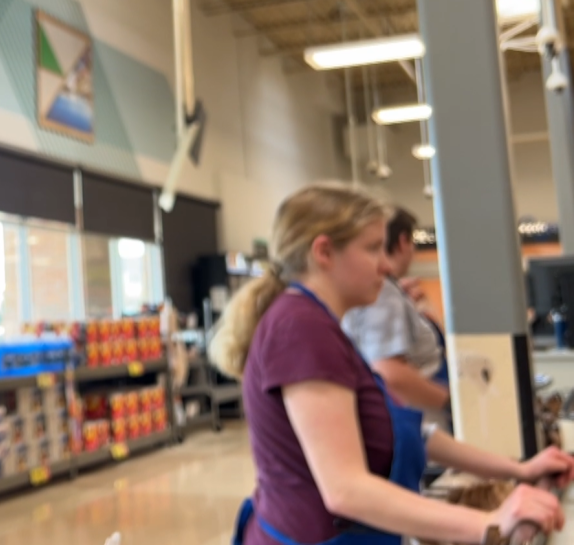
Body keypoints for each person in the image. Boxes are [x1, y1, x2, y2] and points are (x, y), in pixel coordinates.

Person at [209, 184, 574, 545]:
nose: (386, 265)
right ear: (324, 252)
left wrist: (519, 468)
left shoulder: (321, 326)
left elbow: (411, 433)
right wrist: (490, 523)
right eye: (372, 249)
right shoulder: (301, 329)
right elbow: (345, 490)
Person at [341, 207, 451, 432]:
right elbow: (389, 372)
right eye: (373, 248)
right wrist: (452, 403)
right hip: (417, 421)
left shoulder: (388, 292)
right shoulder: (383, 293)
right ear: (403, 241)